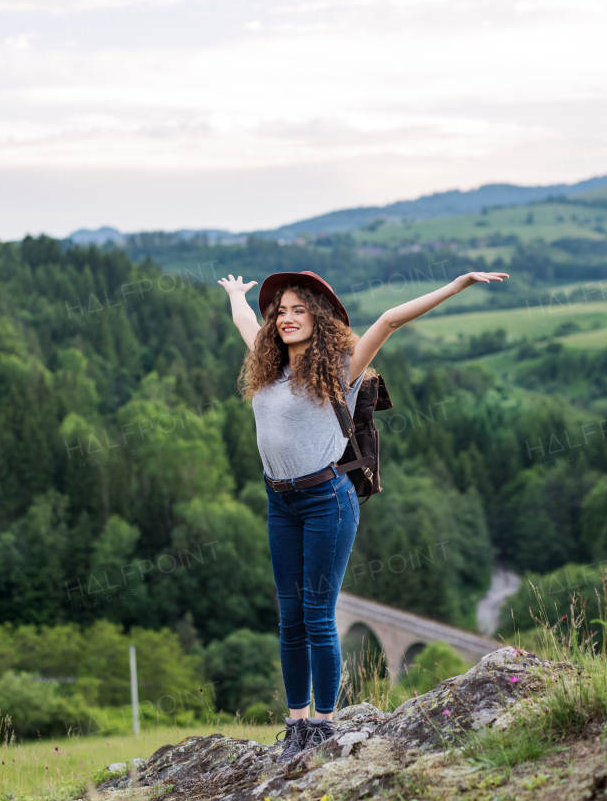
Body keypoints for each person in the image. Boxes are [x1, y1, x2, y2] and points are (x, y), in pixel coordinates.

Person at [216, 267, 508, 761]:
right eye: (280, 312)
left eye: (299, 310)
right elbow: (246, 323)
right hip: (280, 502)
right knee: (289, 619)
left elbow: (391, 320)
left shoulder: (341, 367)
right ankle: (297, 724)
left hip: (326, 500)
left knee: (316, 616)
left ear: (320, 317)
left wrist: (457, 285)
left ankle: (325, 727)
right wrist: (235, 296)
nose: (286, 319)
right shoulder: (269, 366)